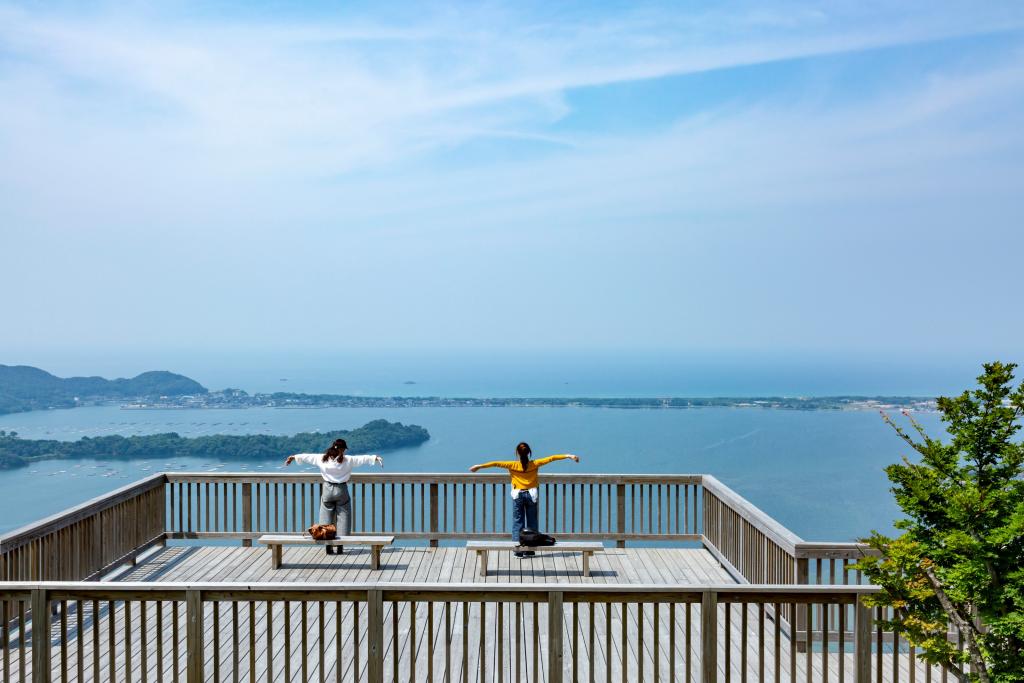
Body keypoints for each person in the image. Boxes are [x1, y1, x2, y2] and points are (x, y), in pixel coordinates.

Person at [469, 443, 580, 558]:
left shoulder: (512, 465)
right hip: (532, 495)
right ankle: (530, 549)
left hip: (518, 495)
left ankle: (518, 549)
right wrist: (568, 455)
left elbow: (495, 463)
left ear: (517, 453)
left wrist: (479, 466)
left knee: (518, 521)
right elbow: (551, 458)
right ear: (529, 453)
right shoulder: (534, 464)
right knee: (532, 522)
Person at [284, 438, 383, 555]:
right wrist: (375, 458)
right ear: (343, 449)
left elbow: (307, 457)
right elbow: (362, 459)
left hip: (327, 489)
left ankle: (328, 546)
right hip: (341, 490)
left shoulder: (322, 459)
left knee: (325, 519)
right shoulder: (348, 460)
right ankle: (340, 546)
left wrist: (294, 457)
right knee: (344, 518)